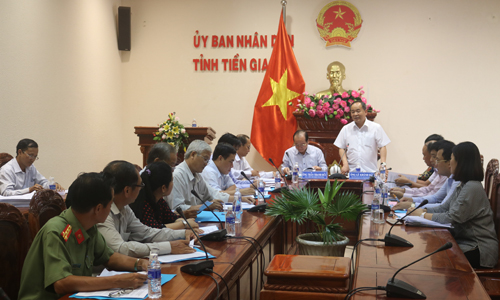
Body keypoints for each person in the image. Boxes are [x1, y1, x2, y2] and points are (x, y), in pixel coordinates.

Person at [18, 172, 149, 300]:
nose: (111, 209)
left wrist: (140, 263)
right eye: (110, 204)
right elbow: (61, 283)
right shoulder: (56, 231)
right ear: (98, 209)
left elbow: (108, 257)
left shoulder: (88, 226)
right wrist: (117, 281)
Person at [409, 142, 498, 268]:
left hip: (479, 248)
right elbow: (444, 208)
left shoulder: (472, 187)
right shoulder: (463, 184)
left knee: (439, 258)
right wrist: (418, 209)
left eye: (452, 159)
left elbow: (452, 217)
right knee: (434, 253)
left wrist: (422, 215)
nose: (449, 163)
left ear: (461, 162)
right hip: (465, 242)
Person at [97, 160, 195, 258]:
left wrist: (183, 233)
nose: (141, 189)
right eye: (140, 185)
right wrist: (168, 247)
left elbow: (146, 232)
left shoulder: (124, 207)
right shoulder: (102, 212)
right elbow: (120, 249)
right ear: (127, 190)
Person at [129, 161, 202, 231]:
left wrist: (188, 224)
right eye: (172, 181)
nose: (173, 184)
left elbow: (172, 218)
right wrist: (185, 224)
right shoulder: (143, 203)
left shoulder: (159, 201)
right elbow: (154, 229)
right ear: (163, 188)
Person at [393, 140, 457, 210]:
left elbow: (443, 207)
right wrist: (410, 199)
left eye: (437, 159)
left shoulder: (455, 181)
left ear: (449, 162)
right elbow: (434, 196)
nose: (435, 163)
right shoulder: (448, 177)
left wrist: (412, 204)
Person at [168, 140, 224, 212]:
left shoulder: (198, 176)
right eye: (205, 159)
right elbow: (176, 208)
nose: (206, 164)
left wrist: (215, 204)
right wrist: (205, 206)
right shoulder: (177, 175)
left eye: (207, 161)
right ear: (193, 155)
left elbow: (209, 200)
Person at [334, 101, 390, 174]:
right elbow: (341, 148)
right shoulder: (346, 129)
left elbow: (382, 146)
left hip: (370, 172)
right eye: (353, 112)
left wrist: (383, 164)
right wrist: (345, 164)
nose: (355, 114)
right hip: (352, 173)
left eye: (358, 111)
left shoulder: (376, 128)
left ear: (365, 112)